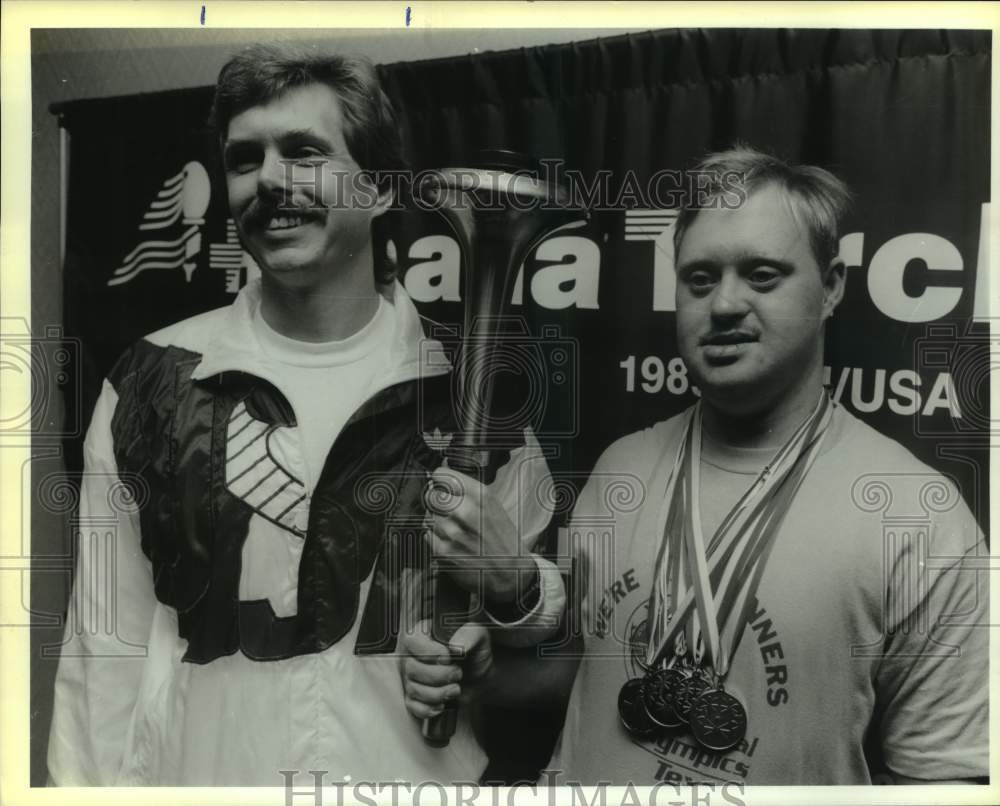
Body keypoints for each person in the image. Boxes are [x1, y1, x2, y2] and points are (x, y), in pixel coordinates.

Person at [46, 44, 565, 786]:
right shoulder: (149, 382)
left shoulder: (477, 399)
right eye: (245, 158)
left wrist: (495, 626)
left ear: (382, 189)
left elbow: (546, 659)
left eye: (305, 152)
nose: (271, 180)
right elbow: (103, 659)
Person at [401, 146, 989, 785]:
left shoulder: (920, 516)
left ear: (831, 286)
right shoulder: (622, 467)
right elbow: (583, 671)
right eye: (700, 278)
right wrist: (487, 677)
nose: (725, 304)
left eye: (763, 275)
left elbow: (946, 779)